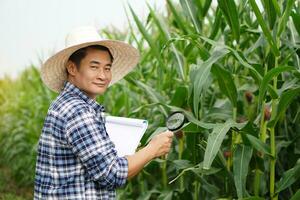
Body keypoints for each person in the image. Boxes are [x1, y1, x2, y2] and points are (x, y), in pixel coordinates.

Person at [34, 26, 174, 199]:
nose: (103, 75)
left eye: (107, 68)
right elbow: (112, 173)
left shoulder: (66, 104)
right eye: (94, 67)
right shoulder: (77, 111)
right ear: (72, 68)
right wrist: (152, 149)